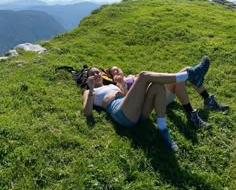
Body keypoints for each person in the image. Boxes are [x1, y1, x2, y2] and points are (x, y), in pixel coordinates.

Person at [82, 56, 210, 151]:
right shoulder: (89, 91)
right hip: (121, 113)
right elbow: (87, 112)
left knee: (157, 86)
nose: (96, 74)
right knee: (143, 75)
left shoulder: (111, 85)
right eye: (92, 74)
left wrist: (121, 85)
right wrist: (92, 88)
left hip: (135, 111)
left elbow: (128, 97)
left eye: (97, 72)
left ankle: (162, 130)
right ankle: (189, 75)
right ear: (88, 79)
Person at [107, 64, 229, 129]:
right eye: (113, 72)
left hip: (162, 91)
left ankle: (208, 100)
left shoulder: (132, 76)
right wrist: (122, 85)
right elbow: (129, 102)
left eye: (116, 69)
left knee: (186, 70)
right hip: (155, 98)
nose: (116, 72)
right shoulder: (118, 85)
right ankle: (192, 115)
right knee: (183, 77)